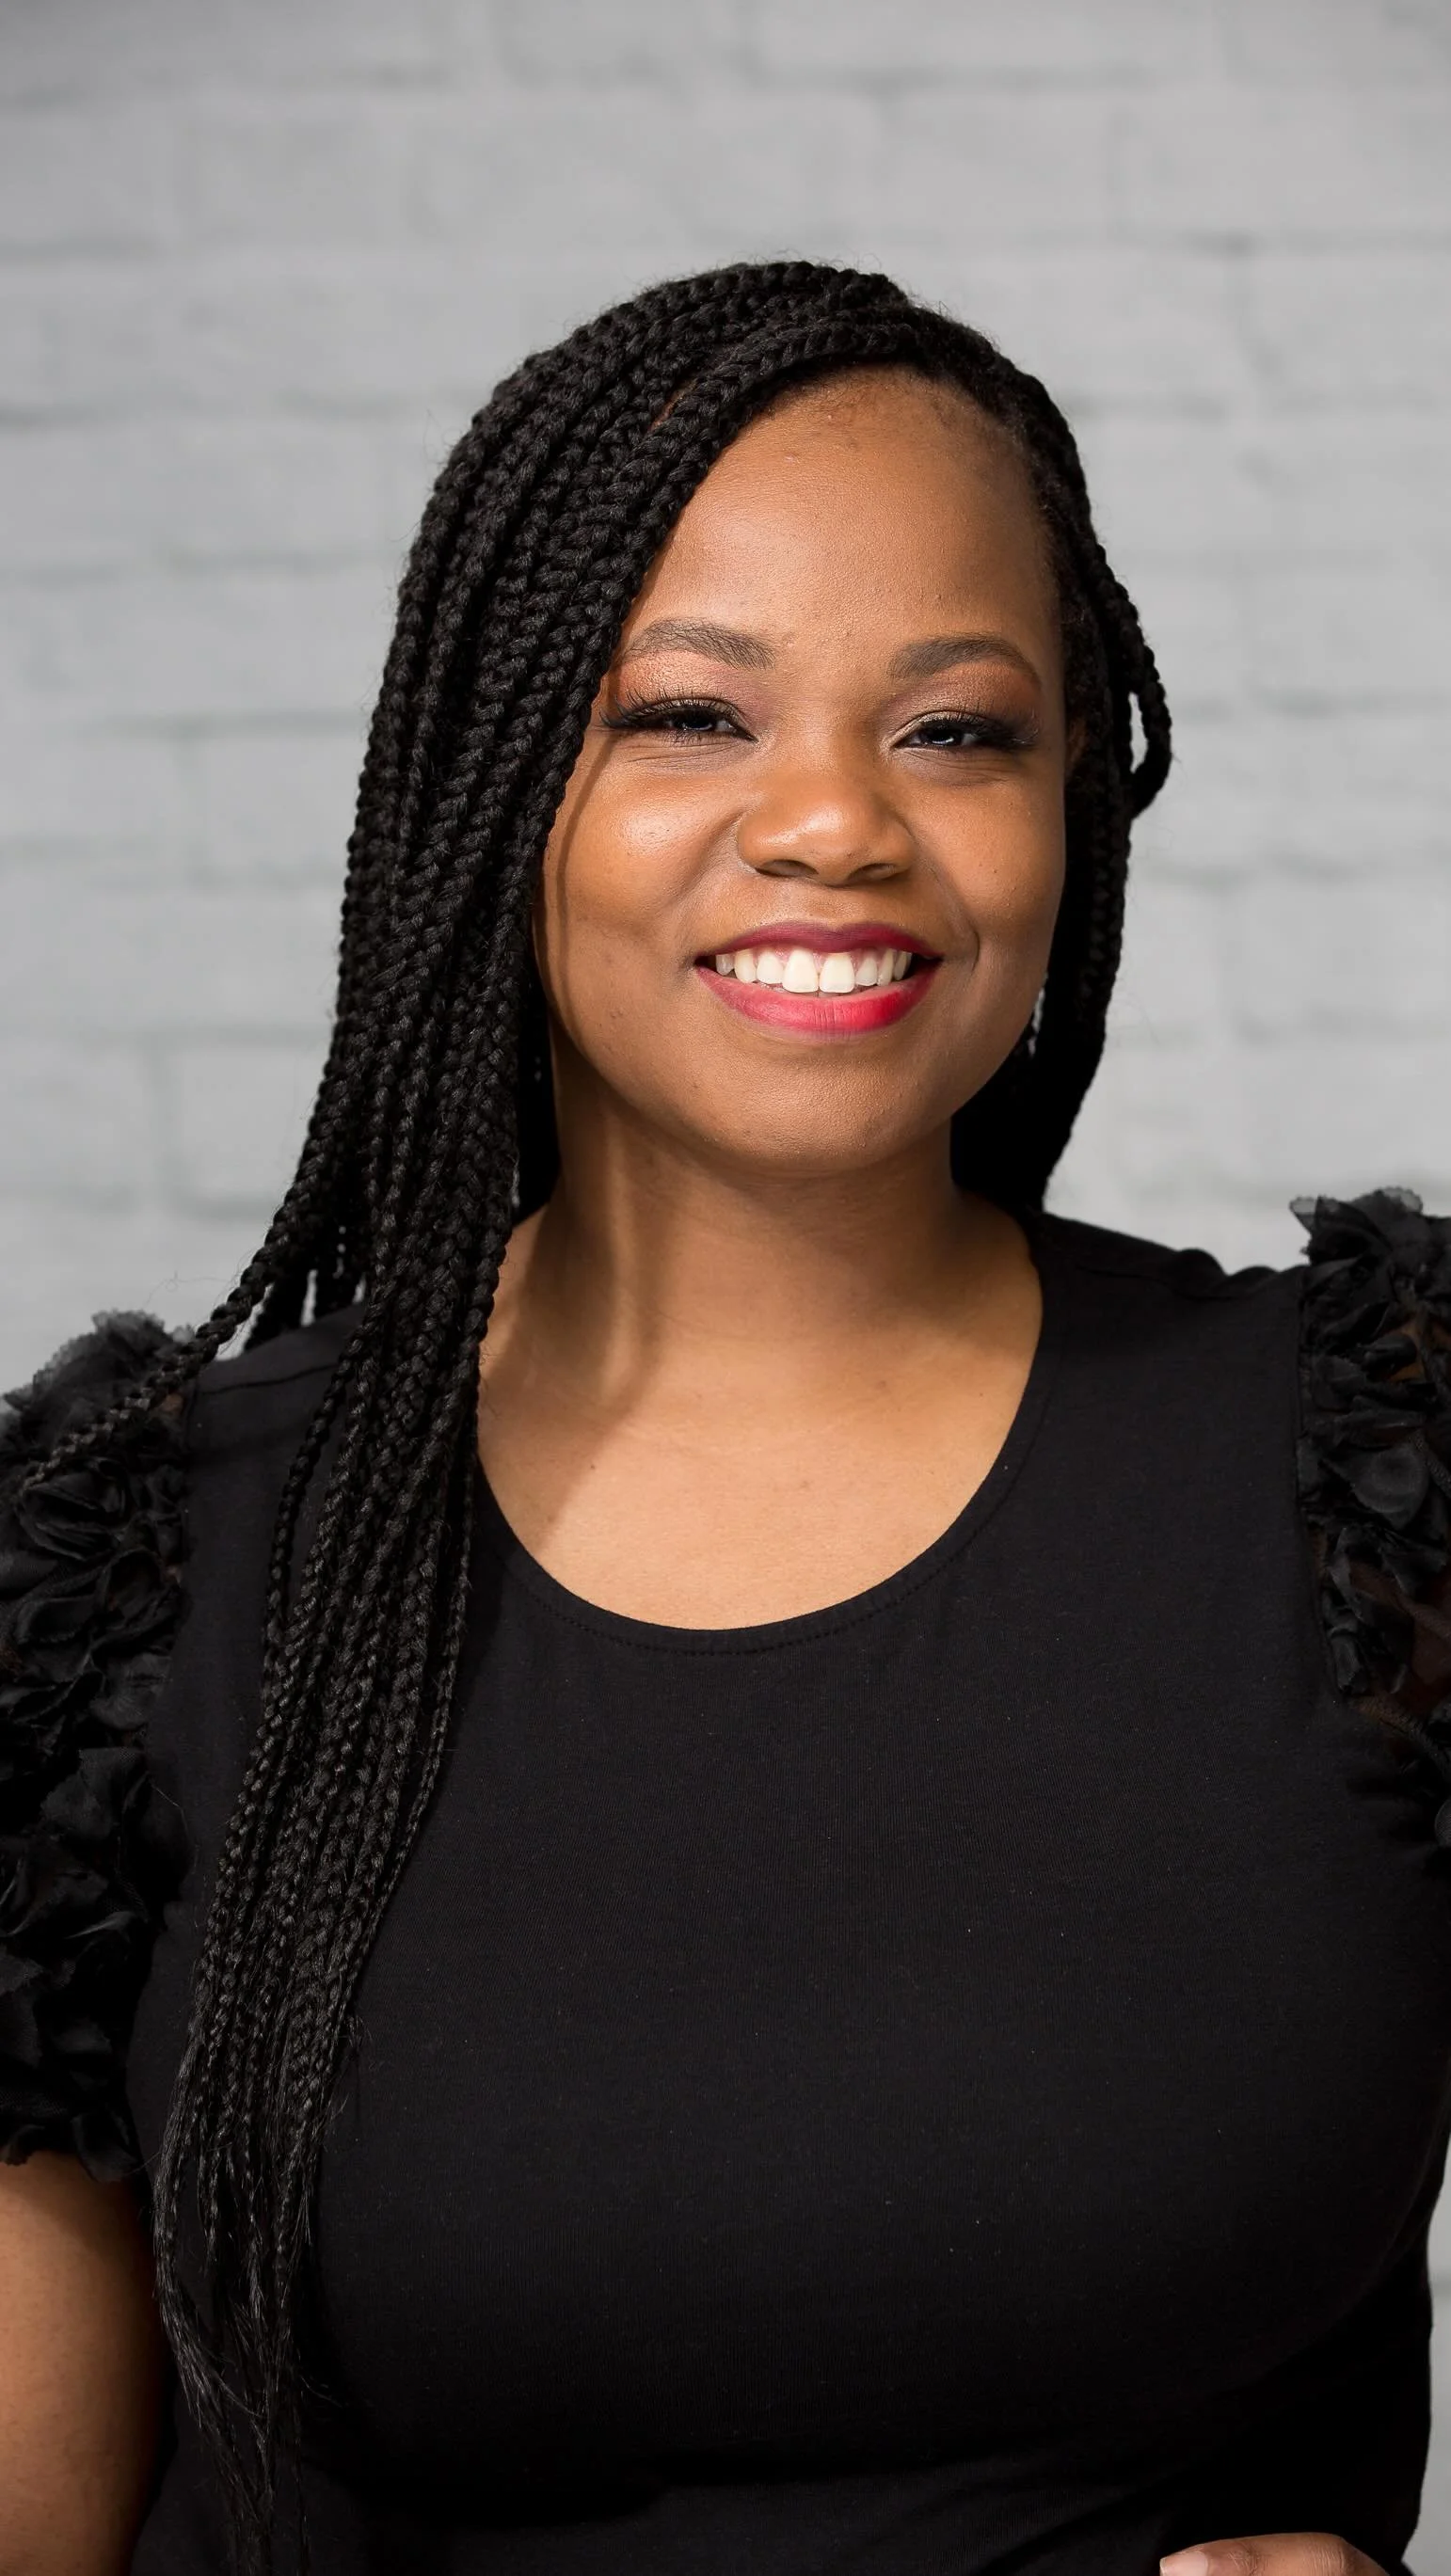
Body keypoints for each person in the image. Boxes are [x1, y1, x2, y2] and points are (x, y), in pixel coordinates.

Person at [0, 262, 1445, 2576]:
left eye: (957, 730)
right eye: (690, 713)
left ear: (1074, 799)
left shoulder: (1378, 1479)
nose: (837, 822)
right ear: (495, 788)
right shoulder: (128, 1583)